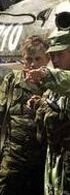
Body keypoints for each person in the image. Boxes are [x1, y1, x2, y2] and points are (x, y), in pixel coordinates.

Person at [0, 35, 49, 195]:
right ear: (22, 59)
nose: (32, 64)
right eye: (28, 59)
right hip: (14, 154)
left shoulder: (53, 82)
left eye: (38, 59)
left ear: (47, 59)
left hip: (42, 157)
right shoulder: (12, 80)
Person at [25, 32, 70, 195]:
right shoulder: (54, 87)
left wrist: (45, 73)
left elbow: (65, 80)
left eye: (60, 54)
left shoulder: (58, 78)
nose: (55, 60)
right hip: (55, 162)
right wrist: (40, 104)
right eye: (52, 55)